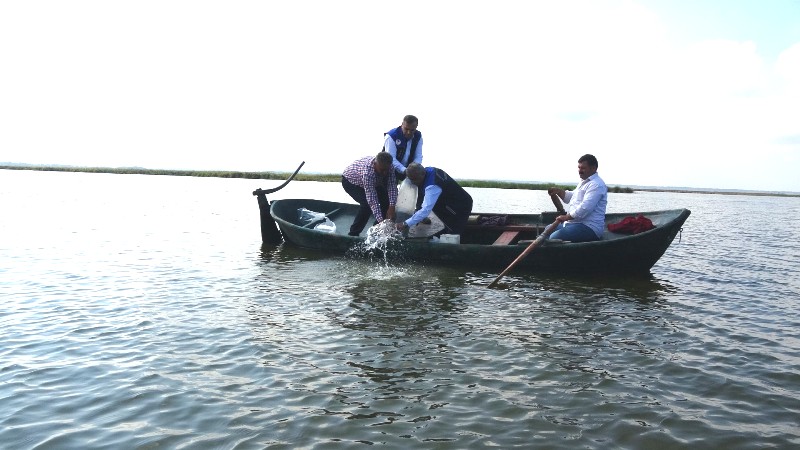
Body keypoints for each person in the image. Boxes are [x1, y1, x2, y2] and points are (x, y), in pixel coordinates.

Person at [396, 163, 473, 236]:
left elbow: (426, 209)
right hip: (448, 201)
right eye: (410, 179)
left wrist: (405, 224)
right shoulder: (428, 170)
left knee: (454, 232)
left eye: (414, 179)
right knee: (447, 226)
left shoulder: (432, 186)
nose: (413, 183)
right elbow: (420, 196)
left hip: (460, 205)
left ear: (422, 174)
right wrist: (417, 213)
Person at [547, 154, 608, 242]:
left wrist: (567, 217)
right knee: (548, 229)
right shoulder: (584, 182)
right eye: (579, 168)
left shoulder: (596, 185)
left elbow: (585, 208)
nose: (580, 171)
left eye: (583, 168)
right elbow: (571, 197)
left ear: (593, 168)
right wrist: (559, 191)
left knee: (554, 237)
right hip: (574, 224)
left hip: (589, 227)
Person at [342, 152, 398, 236]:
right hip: (351, 182)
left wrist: (392, 206)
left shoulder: (390, 167)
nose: (385, 173)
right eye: (382, 170)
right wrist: (381, 220)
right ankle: (353, 233)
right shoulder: (368, 173)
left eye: (386, 170)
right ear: (375, 164)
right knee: (367, 205)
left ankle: (378, 230)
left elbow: (392, 187)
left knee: (387, 201)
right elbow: (372, 200)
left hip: (375, 182)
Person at [383, 115, 423, 180]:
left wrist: (414, 168)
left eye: (412, 130)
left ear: (416, 127)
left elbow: (418, 156)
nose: (409, 132)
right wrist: (404, 170)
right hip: (389, 169)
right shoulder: (391, 136)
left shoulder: (418, 136)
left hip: (409, 169)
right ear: (402, 125)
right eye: (406, 129)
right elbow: (391, 158)